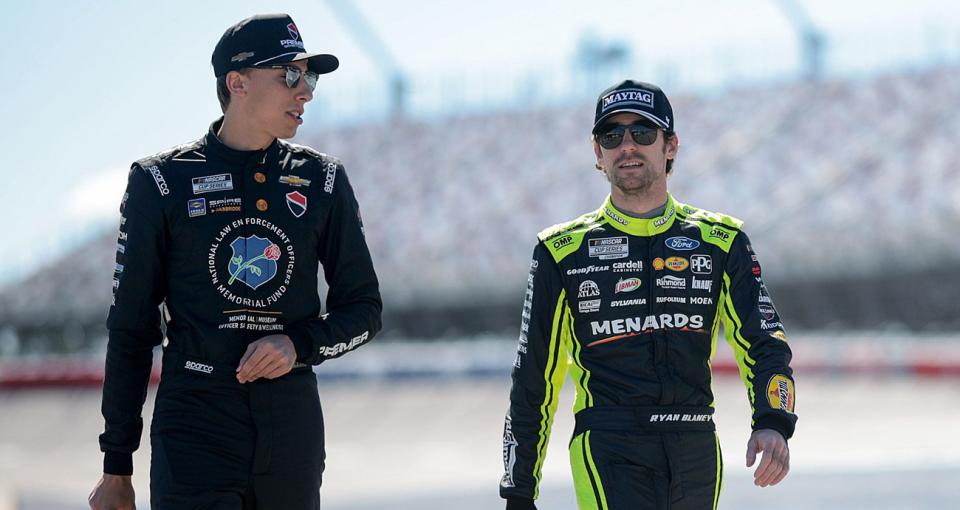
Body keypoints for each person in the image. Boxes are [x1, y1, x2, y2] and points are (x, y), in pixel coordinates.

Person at [88, 14, 382, 510]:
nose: (305, 91)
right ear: (237, 82)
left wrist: (298, 344)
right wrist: (117, 462)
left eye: (309, 76)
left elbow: (365, 310)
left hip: (291, 429)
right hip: (195, 425)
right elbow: (131, 328)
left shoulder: (324, 179)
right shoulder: (160, 182)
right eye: (290, 74)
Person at [499, 80, 797, 510]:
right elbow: (534, 378)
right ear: (597, 153)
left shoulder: (722, 240)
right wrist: (519, 490)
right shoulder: (560, 251)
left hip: (695, 442)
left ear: (670, 145)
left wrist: (773, 422)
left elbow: (765, 343)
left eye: (642, 133)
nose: (627, 146)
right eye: (611, 136)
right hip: (609, 445)